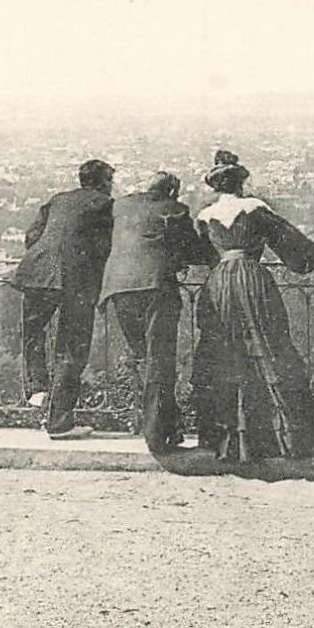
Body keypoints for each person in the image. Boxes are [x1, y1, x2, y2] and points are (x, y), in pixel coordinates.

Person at [191, 150, 314, 460]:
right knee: (270, 347)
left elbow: (200, 255)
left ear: (216, 186)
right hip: (252, 282)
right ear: (241, 183)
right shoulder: (255, 209)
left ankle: (227, 439)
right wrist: (308, 261)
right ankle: (283, 437)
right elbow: (293, 247)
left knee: (225, 352)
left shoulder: (205, 216)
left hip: (219, 285)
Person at [100, 171, 216, 453]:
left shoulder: (122, 205)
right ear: (173, 192)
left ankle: (165, 425)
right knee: (160, 359)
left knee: (142, 357)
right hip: (155, 288)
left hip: (118, 287)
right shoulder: (174, 209)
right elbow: (196, 252)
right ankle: (156, 433)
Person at [11, 158, 116, 439]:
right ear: (103, 182)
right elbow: (107, 246)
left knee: (32, 333)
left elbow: (32, 234)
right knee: (72, 347)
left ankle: (37, 388)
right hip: (75, 280)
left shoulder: (58, 199)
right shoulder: (105, 205)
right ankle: (60, 419)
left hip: (38, 272)